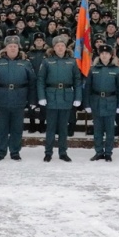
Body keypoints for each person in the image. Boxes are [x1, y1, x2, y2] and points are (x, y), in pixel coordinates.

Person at [0, 35, 36, 161]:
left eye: (15, 46)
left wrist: (32, 101)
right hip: (2, 99)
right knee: (1, 128)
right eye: (10, 46)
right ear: (5, 48)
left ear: (18, 48)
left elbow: (32, 83)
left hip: (19, 99)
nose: (13, 48)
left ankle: (15, 151)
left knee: (17, 128)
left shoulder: (26, 63)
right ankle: (0, 151)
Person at [37, 34, 82, 162]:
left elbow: (77, 81)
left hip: (66, 97)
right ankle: (48, 152)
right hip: (51, 97)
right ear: (54, 48)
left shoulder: (72, 62)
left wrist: (78, 97)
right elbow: (40, 80)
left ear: (65, 47)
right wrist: (41, 97)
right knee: (50, 127)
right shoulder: (47, 61)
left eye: (62, 46)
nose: (60, 48)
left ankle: (63, 152)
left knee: (63, 127)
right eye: (58, 46)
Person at [84, 44, 119, 161]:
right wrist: (87, 104)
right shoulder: (93, 69)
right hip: (96, 102)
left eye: (106, 53)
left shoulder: (117, 70)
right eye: (102, 53)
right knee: (97, 130)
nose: (104, 55)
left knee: (109, 130)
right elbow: (87, 88)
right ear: (99, 55)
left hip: (111, 103)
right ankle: (98, 152)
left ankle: (108, 153)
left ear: (110, 55)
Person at [26, 32, 48, 133]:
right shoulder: (29, 54)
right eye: (37, 40)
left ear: (44, 42)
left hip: (44, 83)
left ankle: (42, 123)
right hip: (32, 82)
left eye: (41, 40)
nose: (39, 42)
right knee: (32, 104)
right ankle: (32, 123)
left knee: (43, 104)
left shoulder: (48, 54)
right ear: (34, 42)